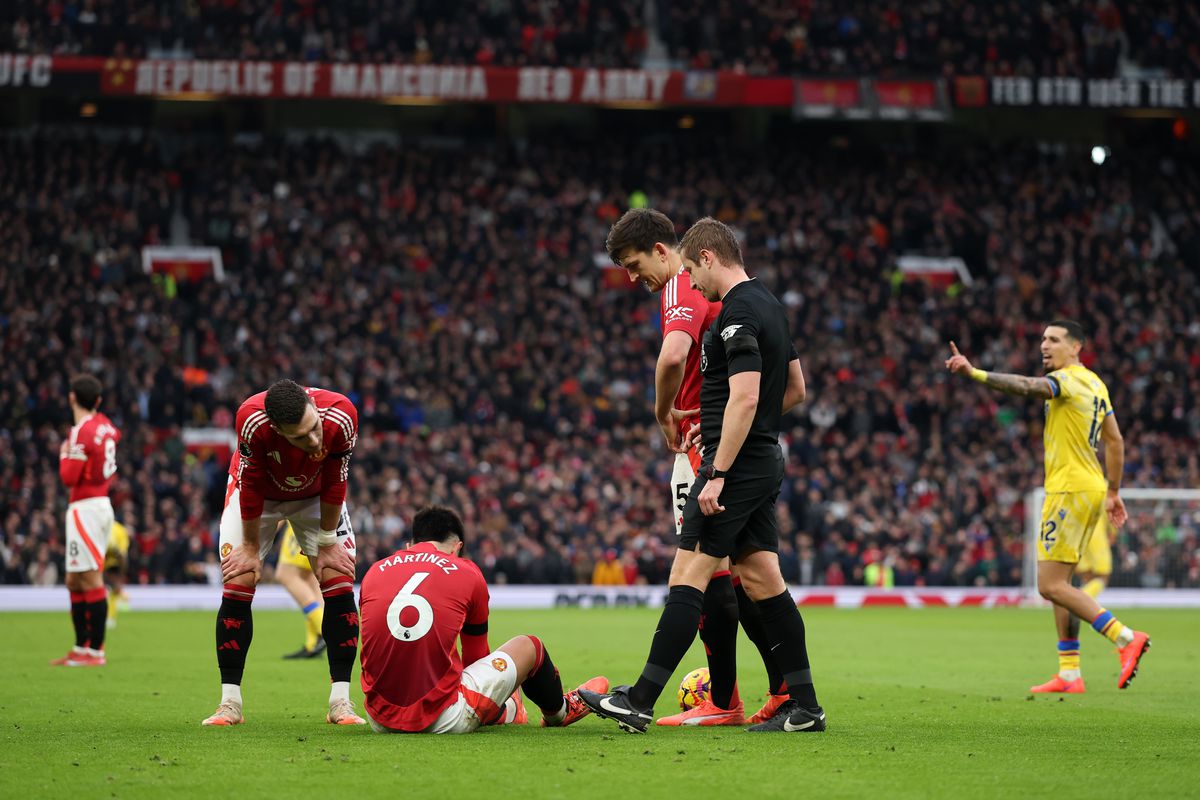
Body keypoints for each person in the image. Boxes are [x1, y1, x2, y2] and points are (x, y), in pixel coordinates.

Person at [580, 217, 824, 734]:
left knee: (688, 574)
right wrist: (745, 433)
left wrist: (718, 468)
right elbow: (796, 389)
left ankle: (641, 698)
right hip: (759, 456)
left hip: (730, 463)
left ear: (705, 258)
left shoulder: (731, 309)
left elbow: (744, 394)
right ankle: (804, 707)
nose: (688, 282)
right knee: (761, 578)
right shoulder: (772, 305)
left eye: (691, 270)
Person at [945, 322, 1150, 692]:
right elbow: (1115, 440)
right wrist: (1114, 491)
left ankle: (1125, 637)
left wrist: (974, 372)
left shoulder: (1067, 381)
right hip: (1090, 487)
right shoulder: (1097, 385)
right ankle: (1070, 672)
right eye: (1042, 339)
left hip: (1069, 490)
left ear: (1076, 348)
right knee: (1063, 584)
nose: (1044, 345)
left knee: (1050, 585)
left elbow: (1028, 386)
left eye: (1053, 340)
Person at [359, 505, 608, 733]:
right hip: (441, 717)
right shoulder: (466, 571)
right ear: (457, 547)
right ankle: (559, 711)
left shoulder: (374, 571)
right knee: (530, 646)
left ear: (408, 545)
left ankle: (509, 709)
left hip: (379, 719)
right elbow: (476, 658)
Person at [202, 379, 363, 726]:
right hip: (260, 495)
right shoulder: (251, 419)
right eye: (300, 437)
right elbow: (253, 482)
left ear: (314, 409)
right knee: (239, 578)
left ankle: (341, 702)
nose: (314, 440)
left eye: (314, 428)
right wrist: (248, 548)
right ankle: (230, 703)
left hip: (315, 495)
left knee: (337, 577)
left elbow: (337, 478)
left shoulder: (341, 414)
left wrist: (326, 541)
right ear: (277, 429)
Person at [51, 375, 122, 668]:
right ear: (98, 401)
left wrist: (64, 453)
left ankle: (96, 651)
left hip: (86, 508)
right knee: (73, 579)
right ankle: (81, 647)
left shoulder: (81, 431)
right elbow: (112, 440)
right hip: (98, 505)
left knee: (91, 578)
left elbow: (69, 477)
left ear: (71, 398)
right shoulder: (106, 425)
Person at [276, 522, 326, 659]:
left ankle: (324, 629)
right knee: (310, 580)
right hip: (318, 524)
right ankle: (313, 644)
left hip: (300, 523)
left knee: (285, 574)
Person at [103, 516, 131, 630]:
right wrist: (122, 572)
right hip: (115, 562)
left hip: (103, 562)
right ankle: (110, 618)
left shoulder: (102, 527)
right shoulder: (121, 530)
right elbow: (123, 553)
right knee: (114, 590)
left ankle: (107, 617)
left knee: (106, 590)